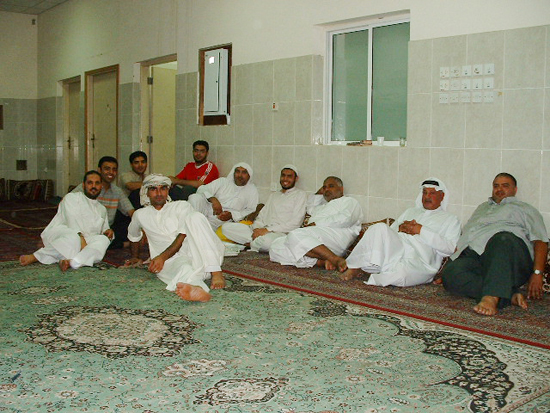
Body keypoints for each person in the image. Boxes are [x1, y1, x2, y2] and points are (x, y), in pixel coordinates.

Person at [442, 173, 548, 316]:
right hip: (479, 259)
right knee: (450, 275)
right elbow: (467, 236)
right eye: (496, 186)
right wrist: (452, 262)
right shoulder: (482, 208)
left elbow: (541, 241)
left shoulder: (525, 209)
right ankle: (508, 295)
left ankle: (491, 297)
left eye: (505, 186)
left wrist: (537, 273)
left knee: (501, 238)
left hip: (510, 259)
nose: (499, 189)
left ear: (515, 189)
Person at [337, 178, 461, 287]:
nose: (427, 197)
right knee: (379, 227)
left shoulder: (450, 219)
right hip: (396, 251)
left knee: (400, 275)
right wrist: (400, 229)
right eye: (424, 193)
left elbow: (450, 248)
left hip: (420, 261)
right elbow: (388, 234)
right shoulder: (410, 212)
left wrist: (421, 230)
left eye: (432, 193)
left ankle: (373, 269)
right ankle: (356, 267)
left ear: (442, 196)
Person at [123, 174, 225, 302]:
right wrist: (135, 256)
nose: (159, 193)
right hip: (170, 262)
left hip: (200, 253)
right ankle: (197, 288)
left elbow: (182, 236)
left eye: (163, 188)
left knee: (196, 217)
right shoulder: (140, 215)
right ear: (146, 192)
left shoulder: (181, 206)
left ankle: (216, 272)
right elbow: (133, 236)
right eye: (154, 189)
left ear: (167, 191)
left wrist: (161, 257)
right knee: (185, 269)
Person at [20, 171, 113, 271]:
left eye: (97, 183)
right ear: (83, 185)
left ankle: (73, 262)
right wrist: (81, 239)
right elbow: (71, 221)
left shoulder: (102, 209)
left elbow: (104, 229)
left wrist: (108, 231)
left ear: (101, 186)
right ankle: (37, 256)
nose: (93, 186)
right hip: (64, 233)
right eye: (90, 183)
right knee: (74, 239)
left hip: (86, 240)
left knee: (103, 240)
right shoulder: (71, 198)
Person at [269, 176, 363, 268]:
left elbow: (346, 218)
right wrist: (318, 193)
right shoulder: (323, 206)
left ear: (341, 189)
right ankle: (321, 262)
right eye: (324, 187)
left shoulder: (349, 201)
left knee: (295, 235)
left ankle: (334, 259)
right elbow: (310, 207)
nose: (327, 189)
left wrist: (317, 224)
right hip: (313, 238)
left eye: (331, 186)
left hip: (335, 238)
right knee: (276, 246)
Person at [220, 165, 307, 252]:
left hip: (279, 234)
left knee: (266, 242)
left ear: (296, 179)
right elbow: (261, 216)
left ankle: (251, 244)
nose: (285, 179)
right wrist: (256, 229)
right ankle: (255, 243)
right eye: (283, 175)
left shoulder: (300, 195)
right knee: (226, 227)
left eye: (289, 176)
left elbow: (295, 224)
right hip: (262, 230)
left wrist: (267, 230)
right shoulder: (274, 195)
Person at [72, 156, 134, 249]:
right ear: (99, 170)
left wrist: (142, 226)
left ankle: (111, 243)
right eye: (107, 169)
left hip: (107, 229)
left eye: (114, 169)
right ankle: (120, 244)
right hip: (86, 228)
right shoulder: (87, 187)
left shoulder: (117, 191)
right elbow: (67, 202)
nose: (111, 172)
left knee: (131, 224)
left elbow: (131, 211)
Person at [188, 162, 259, 231]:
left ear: (249, 175)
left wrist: (232, 215)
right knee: (194, 198)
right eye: (237, 171)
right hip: (207, 211)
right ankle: (190, 224)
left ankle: (195, 228)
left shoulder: (252, 190)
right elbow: (202, 189)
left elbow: (251, 210)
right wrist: (213, 199)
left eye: (244, 172)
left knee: (221, 228)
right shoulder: (223, 181)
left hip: (224, 222)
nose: (240, 175)